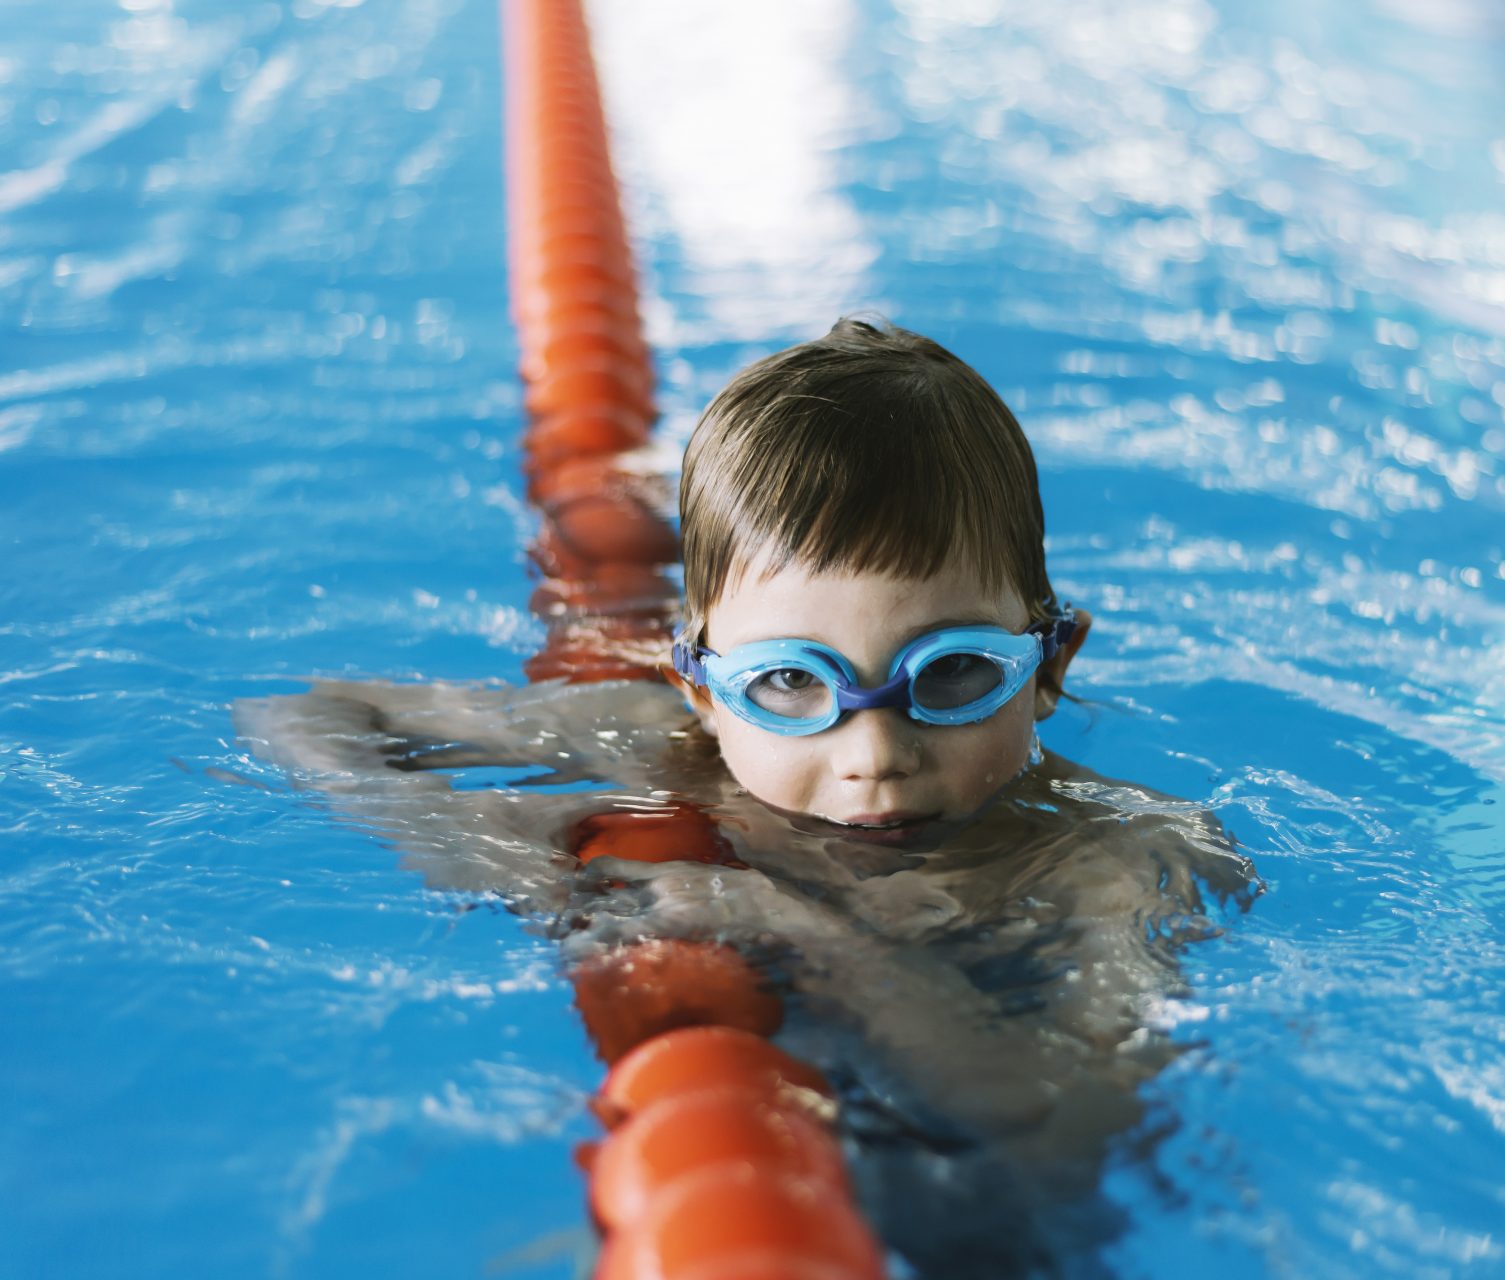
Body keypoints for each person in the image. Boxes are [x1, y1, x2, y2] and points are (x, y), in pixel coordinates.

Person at [237, 317, 1256, 1274]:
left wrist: (799, 927)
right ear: (700, 688)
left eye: (951, 673)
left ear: (1048, 664)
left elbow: (1067, 1123)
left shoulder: (1120, 859)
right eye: (788, 683)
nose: (874, 751)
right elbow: (302, 717)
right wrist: (496, 862)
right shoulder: (660, 739)